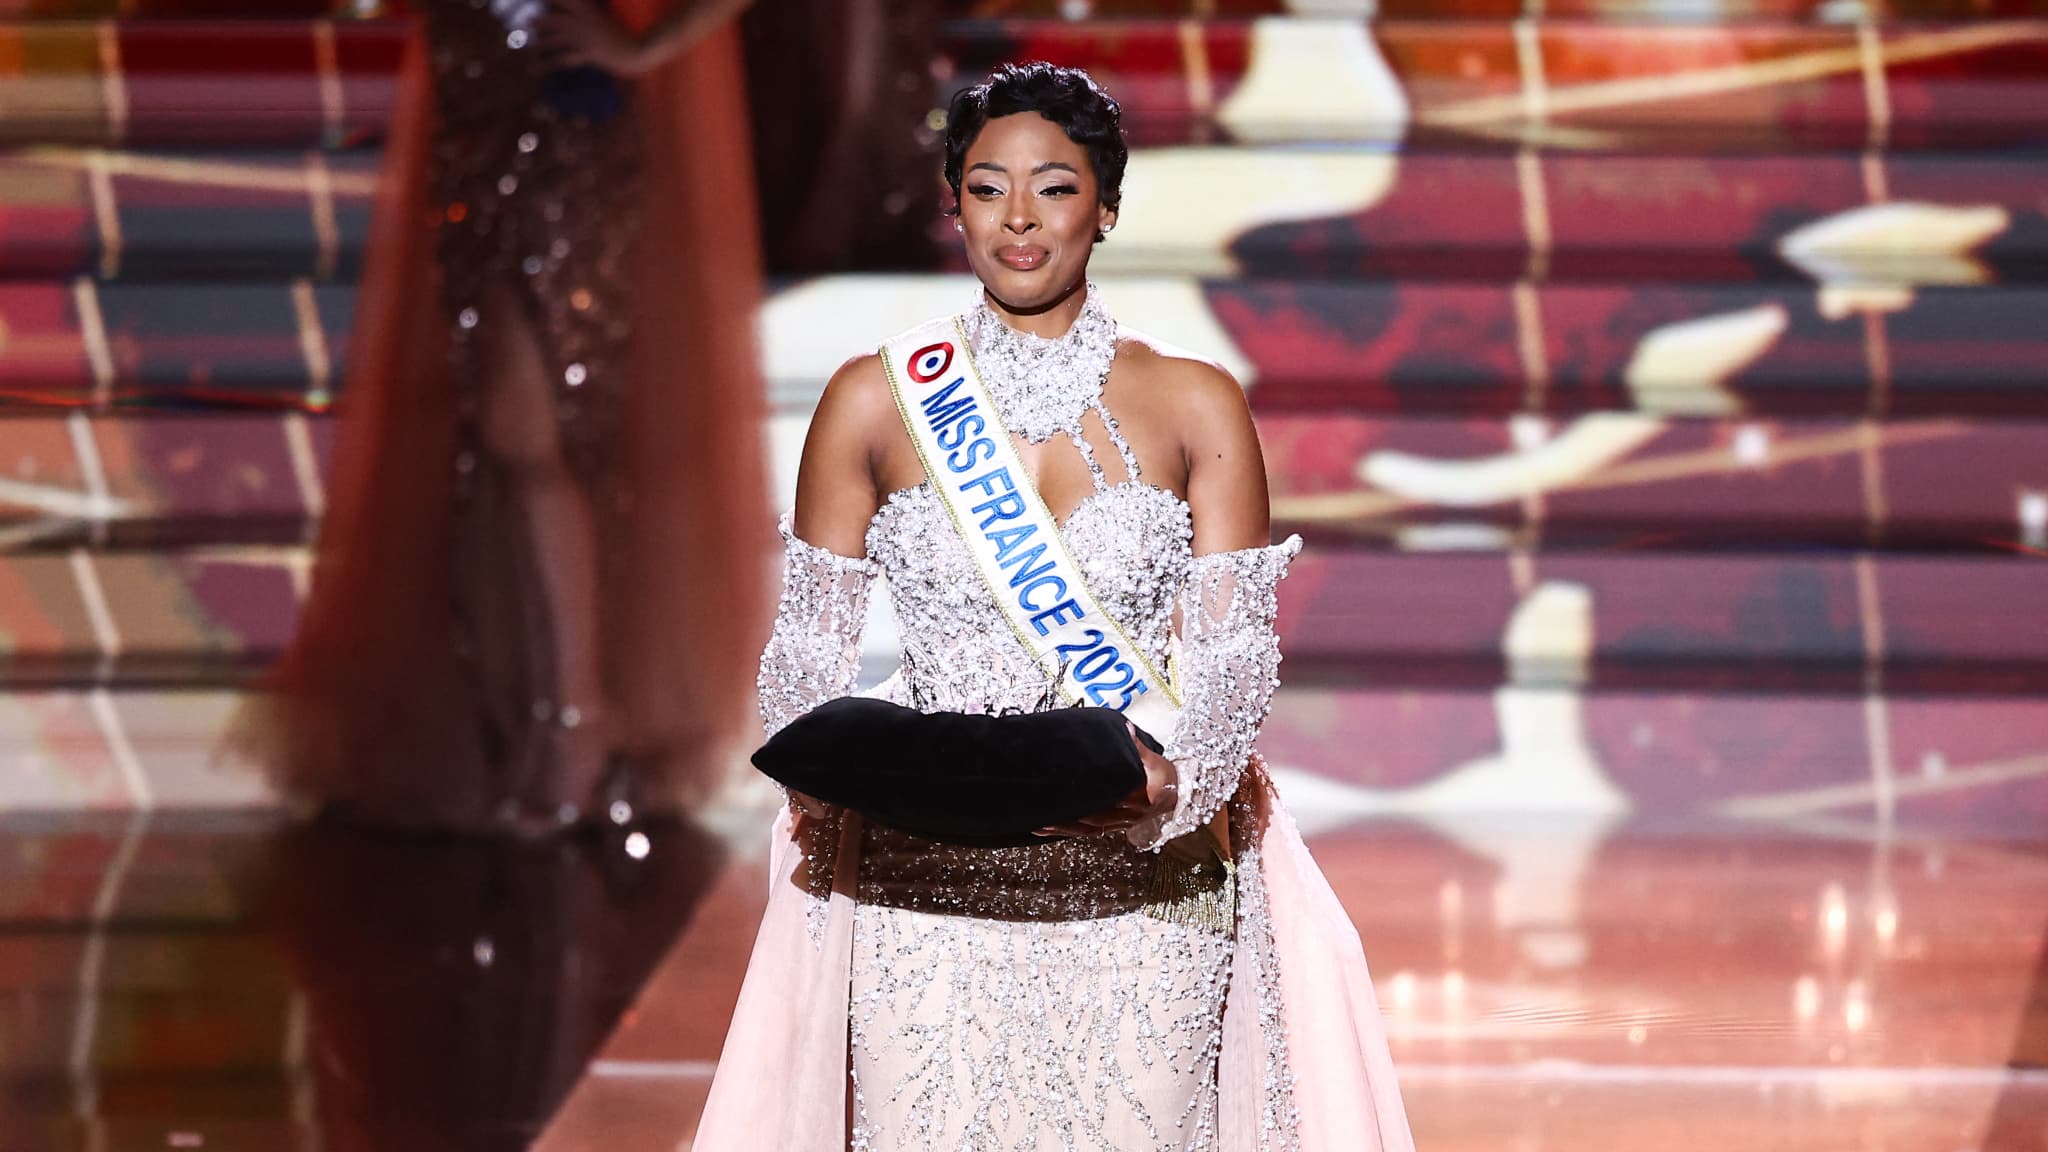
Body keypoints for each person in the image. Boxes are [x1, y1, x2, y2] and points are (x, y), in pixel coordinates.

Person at [694, 63, 1413, 1151]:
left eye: (1054, 188)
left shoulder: (1192, 402)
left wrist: (1173, 794)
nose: (1018, 219)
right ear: (953, 205)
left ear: (1107, 206)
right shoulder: (870, 400)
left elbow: (1230, 659)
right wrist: (858, 775)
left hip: (1141, 879)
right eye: (986, 188)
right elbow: (801, 660)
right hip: (918, 880)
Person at [239, 0, 772, 834]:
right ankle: (547, 711)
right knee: (501, 424)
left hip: (565, 119)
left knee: (528, 418)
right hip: (473, 104)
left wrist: (656, 43)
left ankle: (576, 717)